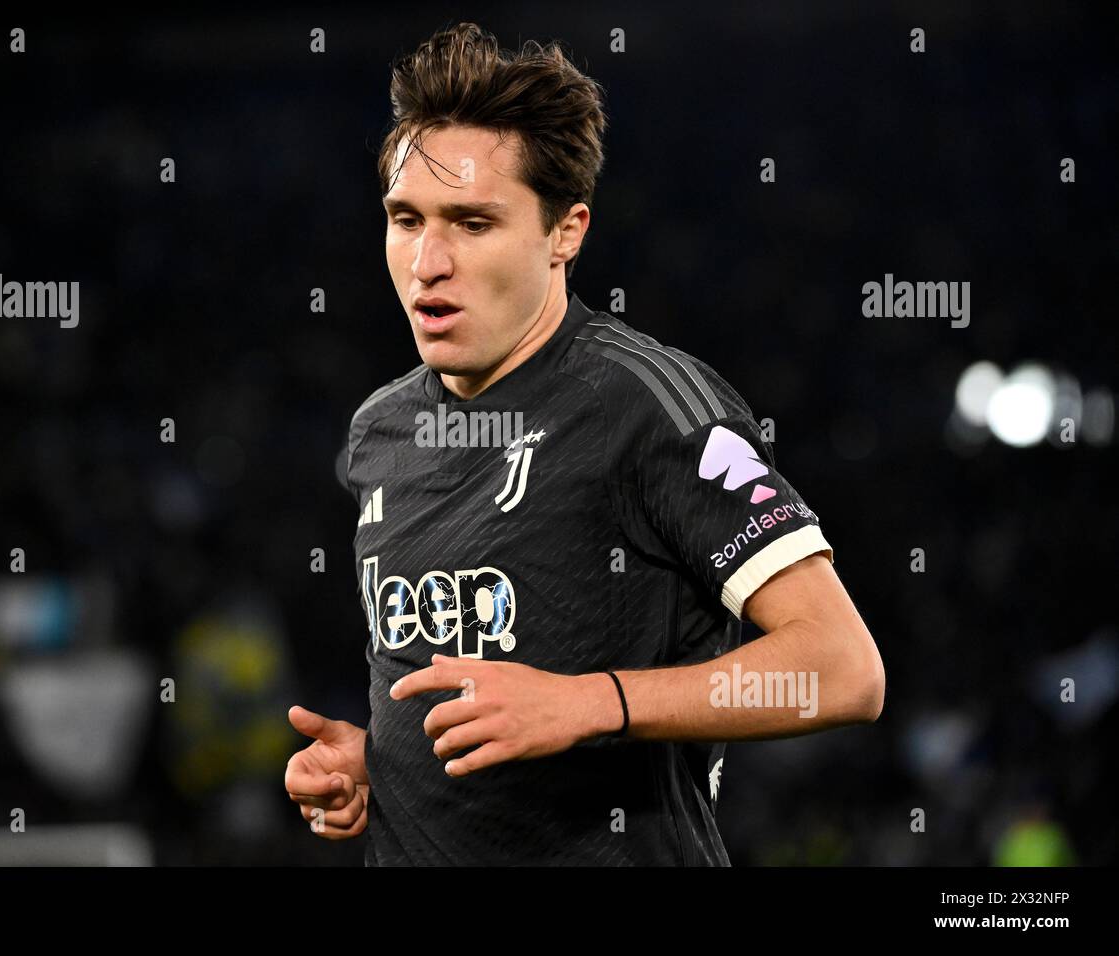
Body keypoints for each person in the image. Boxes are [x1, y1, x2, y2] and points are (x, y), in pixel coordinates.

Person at [284, 21, 884, 865]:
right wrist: (380, 769)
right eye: (406, 218)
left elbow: (841, 668)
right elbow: (472, 693)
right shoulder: (380, 430)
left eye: (473, 223)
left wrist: (592, 703)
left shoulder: (648, 407)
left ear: (566, 232)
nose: (428, 261)